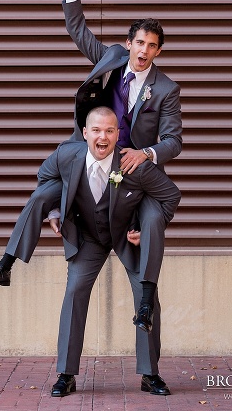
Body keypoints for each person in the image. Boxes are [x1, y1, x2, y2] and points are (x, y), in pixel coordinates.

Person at [0, 0, 182, 333]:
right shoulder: (112, 59)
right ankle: (5, 266)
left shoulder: (166, 88)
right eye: (139, 42)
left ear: (158, 51)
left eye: (152, 46)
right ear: (129, 43)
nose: (143, 50)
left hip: (133, 171)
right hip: (88, 155)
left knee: (149, 227)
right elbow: (78, 30)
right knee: (42, 196)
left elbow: (174, 140)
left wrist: (146, 153)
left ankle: (147, 319)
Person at [43, 106, 181, 397]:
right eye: (96, 130)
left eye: (109, 130)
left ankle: (149, 373)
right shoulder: (69, 155)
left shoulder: (133, 164)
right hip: (89, 238)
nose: (102, 137)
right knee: (74, 291)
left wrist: (146, 230)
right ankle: (65, 374)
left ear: (118, 134)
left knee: (147, 296)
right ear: (85, 133)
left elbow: (170, 194)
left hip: (125, 236)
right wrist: (53, 209)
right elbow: (46, 177)